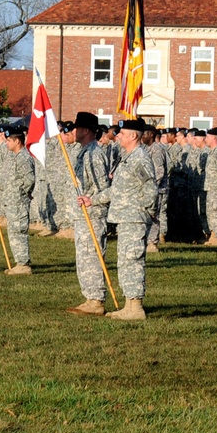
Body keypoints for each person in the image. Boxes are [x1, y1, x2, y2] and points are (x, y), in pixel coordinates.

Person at [79, 119, 158, 320]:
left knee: (132, 260)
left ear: (133, 136)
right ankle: (129, 305)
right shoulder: (127, 158)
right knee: (125, 261)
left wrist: (146, 213)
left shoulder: (140, 159)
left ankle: (136, 307)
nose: (118, 136)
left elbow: (151, 190)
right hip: (126, 218)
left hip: (134, 218)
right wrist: (92, 200)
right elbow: (117, 190)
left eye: (122, 133)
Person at [66, 112, 113, 315]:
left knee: (91, 255)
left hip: (93, 213)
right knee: (84, 256)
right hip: (84, 213)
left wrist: (91, 200)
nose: (73, 132)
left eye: (77, 128)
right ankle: (90, 297)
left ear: (86, 130)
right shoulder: (84, 152)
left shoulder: (95, 154)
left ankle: (96, 300)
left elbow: (103, 186)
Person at [0, 125, 34, 275]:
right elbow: (9, 181)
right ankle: (19, 262)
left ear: (17, 141)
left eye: (9, 140)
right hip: (11, 201)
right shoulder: (13, 157)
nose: (6, 143)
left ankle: (23, 264)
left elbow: (29, 180)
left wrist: (19, 193)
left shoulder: (24, 158)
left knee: (19, 231)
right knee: (13, 232)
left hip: (18, 202)